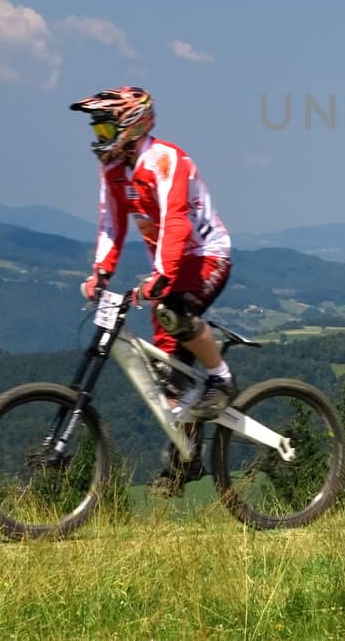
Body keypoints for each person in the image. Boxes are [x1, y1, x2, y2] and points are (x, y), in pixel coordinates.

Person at [69, 86, 237, 431]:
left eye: (104, 128)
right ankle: (183, 458)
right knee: (168, 374)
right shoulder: (115, 170)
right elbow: (112, 224)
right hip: (171, 265)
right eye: (96, 129)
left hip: (206, 254)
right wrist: (101, 272)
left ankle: (222, 379)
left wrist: (161, 275)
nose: (98, 137)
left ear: (130, 124)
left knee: (174, 311)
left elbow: (176, 220)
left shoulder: (165, 160)